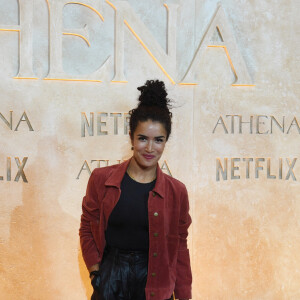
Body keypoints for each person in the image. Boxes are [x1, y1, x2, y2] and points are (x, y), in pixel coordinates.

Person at [79, 80, 192, 300]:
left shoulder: (177, 191)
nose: (150, 148)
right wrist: (96, 274)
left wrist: (184, 295)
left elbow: (179, 247)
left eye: (158, 140)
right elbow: (86, 227)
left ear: (166, 141)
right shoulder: (101, 179)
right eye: (142, 138)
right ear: (131, 137)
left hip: (156, 284)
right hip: (110, 281)